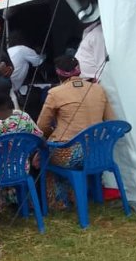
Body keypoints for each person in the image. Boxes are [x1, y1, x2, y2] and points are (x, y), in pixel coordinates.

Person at [36, 55, 116, 210]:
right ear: (79, 71)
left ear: (58, 73)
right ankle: (82, 195)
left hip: (72, 156)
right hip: (99, 152)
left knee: (45, 155)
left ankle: (60, 202)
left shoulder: (55, 93)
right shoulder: (98, 89)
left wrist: (52, 133)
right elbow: (111, 121)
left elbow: (41, 127)